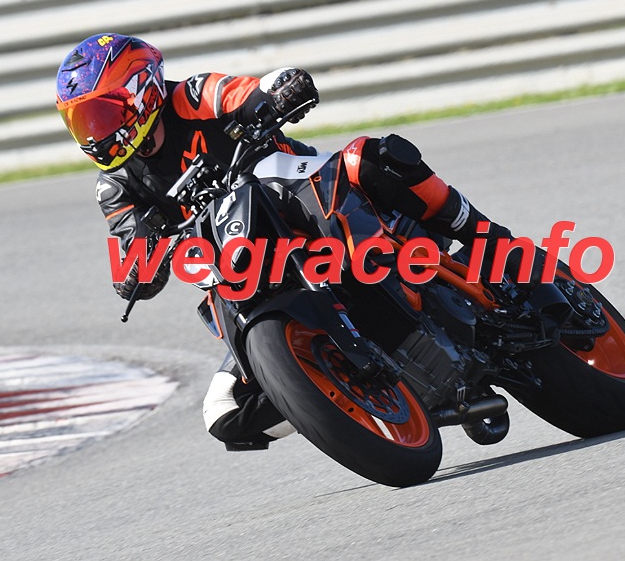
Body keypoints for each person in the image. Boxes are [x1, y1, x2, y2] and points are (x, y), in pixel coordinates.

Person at [55, 33, 517, 451]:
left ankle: (487, 239)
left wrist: (278, 91)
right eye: (81, 121)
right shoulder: (114, 186)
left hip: (295, 194)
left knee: (370, 158)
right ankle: (340, 396)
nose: (94, 132)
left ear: (141, 92)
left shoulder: (192, 95)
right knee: (224, 415)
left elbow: (246, 92)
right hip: (241, 267)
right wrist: (138, 268)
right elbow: (131, 245)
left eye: (101, 113)